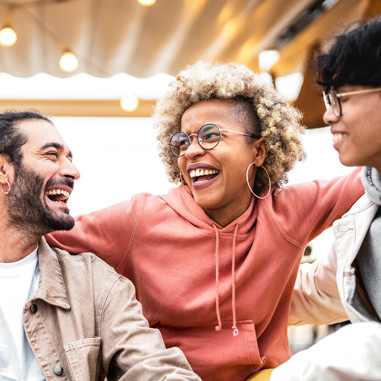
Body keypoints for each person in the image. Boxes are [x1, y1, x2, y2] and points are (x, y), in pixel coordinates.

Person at [46, 60, 364, 381]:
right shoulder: (140, 219)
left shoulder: (288, 212)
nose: (192, 151)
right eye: (183, 141)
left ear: (259, 151)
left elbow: (369, 176)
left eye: (211, 136)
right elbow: (41, 236)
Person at [0, 110, 200, 380]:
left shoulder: (95, 284)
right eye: (51, 155)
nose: (73, 171)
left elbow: (152, 367)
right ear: (4, 169)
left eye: (70, 158)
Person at [271, 17, 381, 380]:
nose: (328, 114)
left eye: (338, 97)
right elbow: (320, 289)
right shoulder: (367, 208)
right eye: (325, 98)